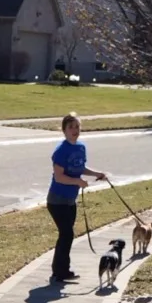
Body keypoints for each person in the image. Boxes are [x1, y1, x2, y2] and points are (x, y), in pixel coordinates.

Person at [47, 113, 107, 284]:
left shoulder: (80, 147)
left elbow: (80, 167)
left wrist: (97, 174)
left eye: (77, 127)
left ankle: (60, 271)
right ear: (64, 130)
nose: (75, 130)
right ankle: (60, 272)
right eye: (71, 127)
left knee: (66, 235)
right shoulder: (61, 151)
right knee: (66, 234)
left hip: (70, 200)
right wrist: (77, 181)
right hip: (57, 200)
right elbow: (59, 177)